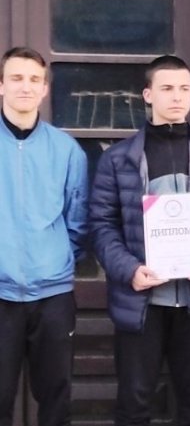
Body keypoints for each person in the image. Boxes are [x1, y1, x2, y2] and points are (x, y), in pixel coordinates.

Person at [89, 55, 190, 426]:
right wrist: (129, 270)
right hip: (141, 302)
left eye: (184, 88)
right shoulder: (119, 159)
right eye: (167, 88)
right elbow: (102, 224)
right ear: (148, 95)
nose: (177, 96)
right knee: (134, 407)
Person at [0, 46, 88, 426]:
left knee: (55, 402)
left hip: (52, 296)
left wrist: (55, 260)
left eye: (34, 79)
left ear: (45, 89)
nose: (26, 87)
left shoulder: (66, 150)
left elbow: (78, 221)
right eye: (17, 78)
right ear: (1, 85)